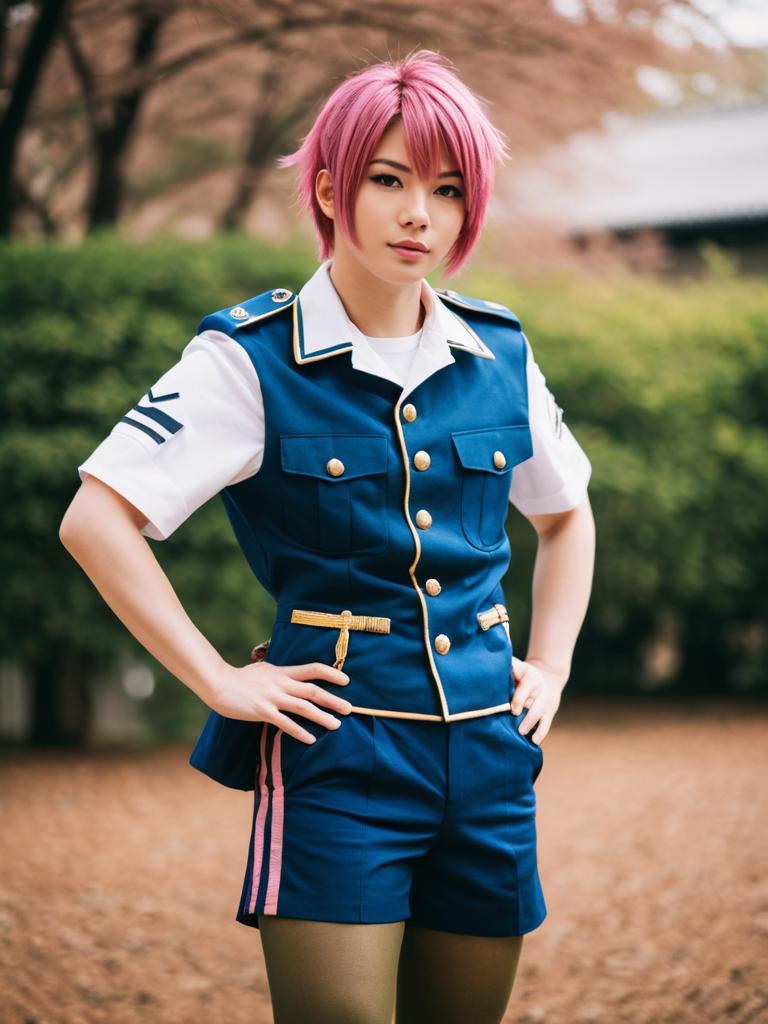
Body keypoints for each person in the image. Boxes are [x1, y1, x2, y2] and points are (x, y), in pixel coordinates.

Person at [60, 48, 595, 1024]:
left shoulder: (499, 351)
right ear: (327, 187)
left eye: (446, 188)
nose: (418, 214)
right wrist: (220, 680)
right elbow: (97, 518)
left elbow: (567, 516)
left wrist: (549, 666)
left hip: (490, 753)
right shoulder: (246, 359)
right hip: (336, 753)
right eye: (388, 180)